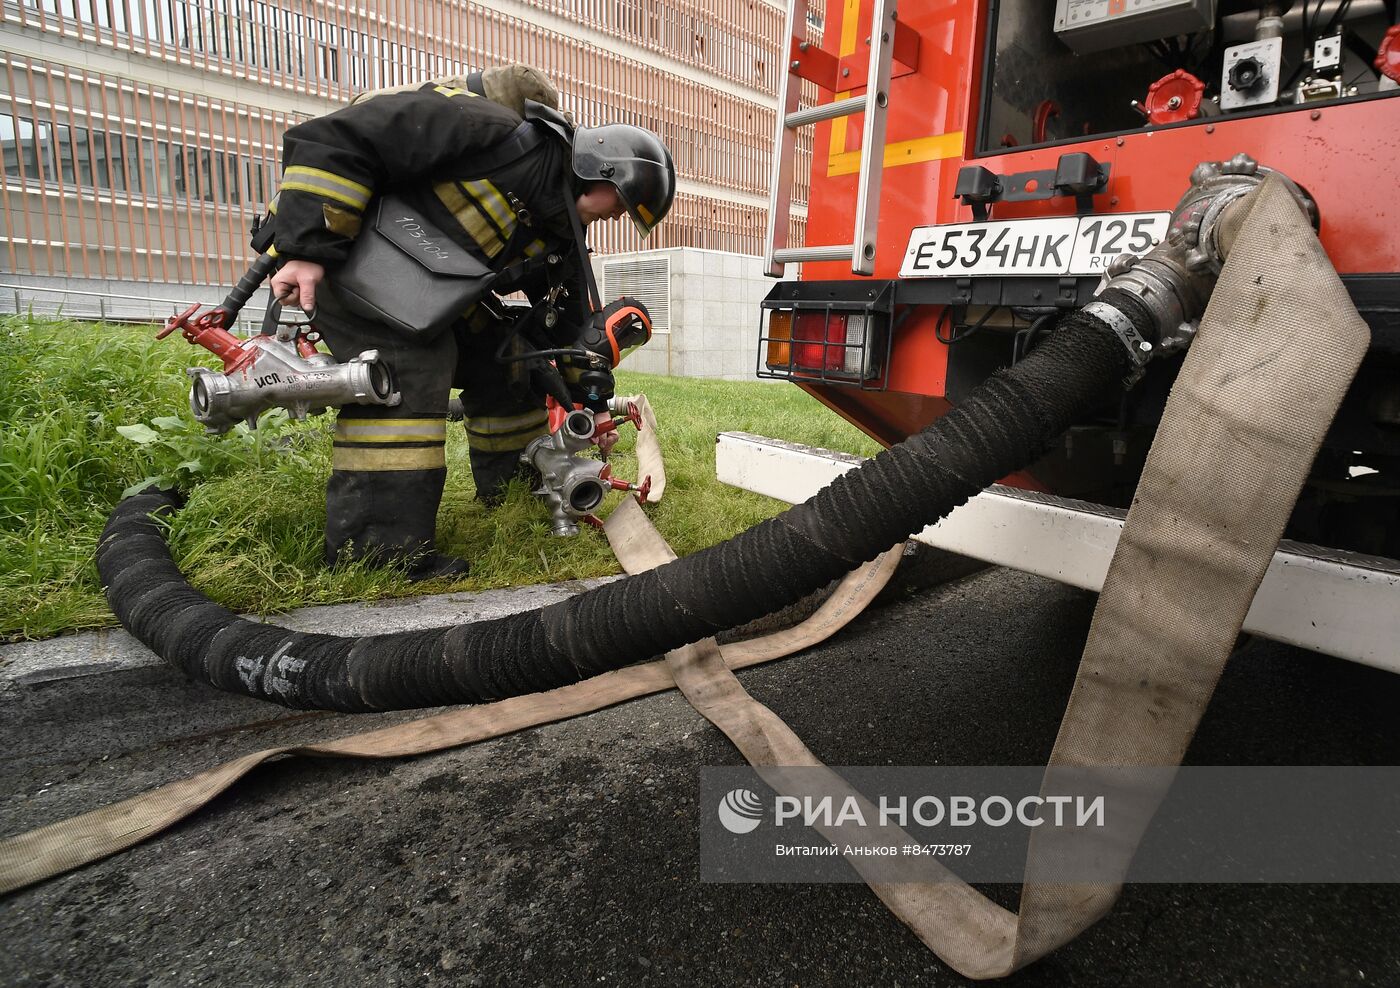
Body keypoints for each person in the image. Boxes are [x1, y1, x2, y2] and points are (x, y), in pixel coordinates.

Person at [262, 70, 674, 579]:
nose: (615, 220)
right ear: (601, 172)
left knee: (514, 357)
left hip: (420, 295)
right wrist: (306, 250)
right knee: (410, 367)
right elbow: (334, 137)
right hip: (344, 262)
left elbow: (566, 337)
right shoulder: (492, 132)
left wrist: (582, 410)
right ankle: (377, 552)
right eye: (621, 208)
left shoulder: (558, 235)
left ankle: (511, 491)